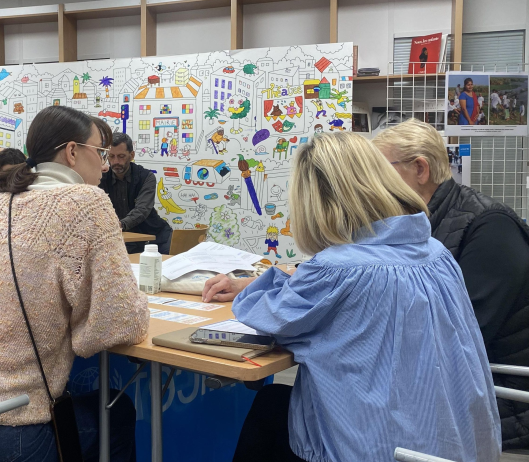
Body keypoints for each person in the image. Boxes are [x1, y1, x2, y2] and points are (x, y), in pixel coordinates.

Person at [203, 131, 501, 462]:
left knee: (271, 409)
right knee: (273, 403)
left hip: (377, 449)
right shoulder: (435, 252)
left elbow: (266, 317)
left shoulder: (338, 269)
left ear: (315, 202)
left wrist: (264, 282)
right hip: (454, 443)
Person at [0, 106, 148, 462]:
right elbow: (115, 325)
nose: (103, 166)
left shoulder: (1, 201)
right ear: (72, 151)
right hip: (0, 429)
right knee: (117, 410)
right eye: (100, 152)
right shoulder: (89, 202)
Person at [373, 118, 529, 450]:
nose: (372, 183)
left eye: (380, 170)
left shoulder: (490, 227)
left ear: (420, 169)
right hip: (454, 381)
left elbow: (461, 336)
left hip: (500, 397)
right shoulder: (420, 225)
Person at [99, 132, 172, 254]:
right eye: (111, 156)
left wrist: (120, 225)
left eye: (121, 156)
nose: (116, 161)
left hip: (155, 238)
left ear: (131, 155)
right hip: (123, 239)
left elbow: (142, 210)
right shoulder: (101, 178)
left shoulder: (146, 177)